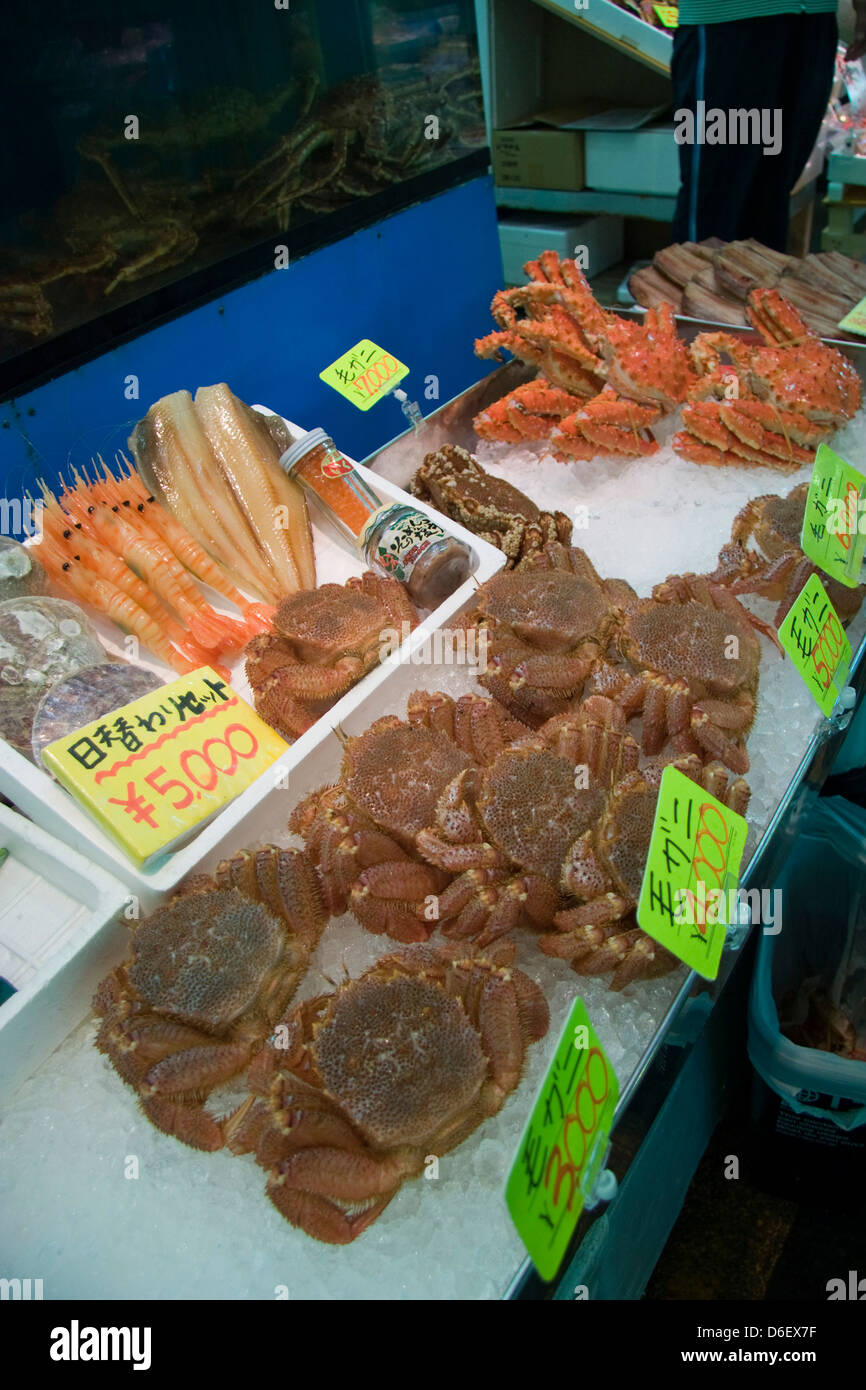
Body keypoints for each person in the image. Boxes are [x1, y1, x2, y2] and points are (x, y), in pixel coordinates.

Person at [671, 0, 866, 250]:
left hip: (812, 19)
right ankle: (698, 286)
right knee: (716, 206)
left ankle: (760, 287)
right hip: (731, 21)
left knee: (770, 199)